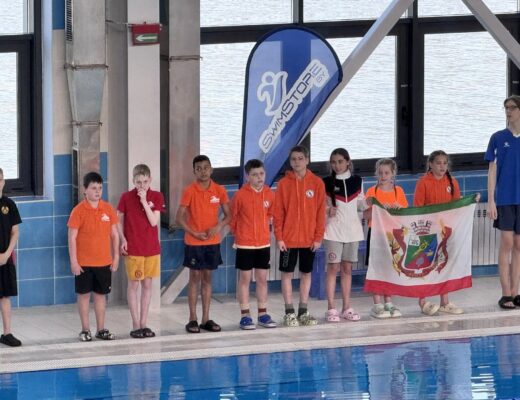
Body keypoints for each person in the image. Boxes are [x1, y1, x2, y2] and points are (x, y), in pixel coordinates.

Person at [176, 155, 231, 333]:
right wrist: (193, 232)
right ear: (194, 172)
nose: (203, 171)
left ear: (211, 169)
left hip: (212, 242)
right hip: (194, 242)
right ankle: (192, 318)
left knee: (207, 278)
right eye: (199, 169)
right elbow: (179, 218)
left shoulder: (219, 190)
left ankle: (205, 318)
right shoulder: (189, 191)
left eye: (206, 168)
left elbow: (229, 215)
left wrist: (218, 226)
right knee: (194, 278)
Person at [273, 145, 326, 327]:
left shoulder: (317, 183)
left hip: (309, 240)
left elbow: (321, 213)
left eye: (300, 158)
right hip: (288, 240)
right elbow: (278, 213)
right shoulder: (283, 184)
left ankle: (303, 311)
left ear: (307, 160)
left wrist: (318, 237)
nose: (297, 162)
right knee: (287, 274)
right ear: (290, 161)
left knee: (306, 273)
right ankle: (289, 312)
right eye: (293, 159)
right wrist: (279, 237)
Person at [68, 172, 119, 341]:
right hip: (83, 263)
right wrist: (74, 261)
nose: (97, 191)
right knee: (83, 296)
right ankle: (85, 329)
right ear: (85, 190)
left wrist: (116, 257)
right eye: (93, 188)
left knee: (100, 296)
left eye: (100, 188)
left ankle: (101, 329)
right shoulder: (78, 211)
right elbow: (72, 238)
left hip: (103, 262)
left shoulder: (108, 209)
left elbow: (115, 235)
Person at [117, 164, 165, 338]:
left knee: (147, 284)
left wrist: (144, 201)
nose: (142, 186)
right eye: (138, 182)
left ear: (150, 180)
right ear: (133, 181)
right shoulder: (126, 197)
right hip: (134, 248)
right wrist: (123, 239)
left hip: (151, 248)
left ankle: (144, 323)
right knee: (134, 284)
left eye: (145, 182)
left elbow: (153, 222)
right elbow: (118, 220)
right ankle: (135, 323)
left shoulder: (157, 196)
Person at [413, 150, 462, 315]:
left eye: (445, 163)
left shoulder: (452, 182)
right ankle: (422, 301)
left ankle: (444, 301)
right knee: (424, 265)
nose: (442, 166)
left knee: (443, 264)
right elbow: (418, 208)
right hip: (427, 231)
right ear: (431, 164)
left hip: (445, 230)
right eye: (438, 163)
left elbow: (457, 206)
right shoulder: (423, 182)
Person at [230, 159, 277, 330]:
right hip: (245, 244)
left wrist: (265, 233)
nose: (259, 177)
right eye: (255, 174)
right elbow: (233, 218)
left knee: (262, 279)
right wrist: (240, 235)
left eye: (261, 174)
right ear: (247, 176)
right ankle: (245, 315)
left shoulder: (270, 194)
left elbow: (271, 215)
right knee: (245, 279)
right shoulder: (240, 195)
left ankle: (263, 314)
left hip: (263, 244)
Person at [322, 148, 366, 322]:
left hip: (353, 232)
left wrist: (374, 201)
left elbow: (360, 205)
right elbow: (320, 206)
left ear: (348, 162)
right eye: (333, 162)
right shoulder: (326, 182)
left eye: (340, 161)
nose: (337, 165)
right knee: (333, 268)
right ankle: (331, 307)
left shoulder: (357, 181)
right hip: (333, 231)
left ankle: (346, 307)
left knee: (347, 269)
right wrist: (327, 210)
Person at [485, 95, 520, 310]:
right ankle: (505, 293)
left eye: (512, 108)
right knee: (507, 242)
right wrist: (491, 200)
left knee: (519, 245)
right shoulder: (498, 138)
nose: (508, 111)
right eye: (506, 108)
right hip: (506, 198)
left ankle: (516, 292)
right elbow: (492, 171)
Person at [364, 158, 408, 318]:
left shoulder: (398, 192)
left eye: (386, 173)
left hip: (392, 235)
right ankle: (377, 303)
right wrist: (378, 209)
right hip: (376, 234)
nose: (383, 176)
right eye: (380, 173)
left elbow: (405, 216)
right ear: (377, 173)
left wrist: (398, 209)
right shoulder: (372, 192)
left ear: (393, 174)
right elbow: (366, 215)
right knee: (376, 268)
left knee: (390, 267)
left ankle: (388, 301)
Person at [0, 168, 22, 347]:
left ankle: (7, 333)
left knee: (5, 296)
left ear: (3, 181)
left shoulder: (9, 204)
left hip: (6, 258)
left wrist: (7, 254)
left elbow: (15, 232)